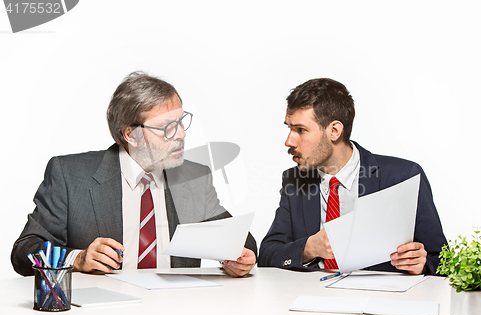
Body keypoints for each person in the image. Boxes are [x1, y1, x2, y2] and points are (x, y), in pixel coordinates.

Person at [12, 71, 257, 277]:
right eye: (168, 127)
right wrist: (78, 259)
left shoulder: (193, 177)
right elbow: (25, 250)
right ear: (130, 135)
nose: (181, 134)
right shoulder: (70, 175)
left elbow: (240, 240)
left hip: (179, 313)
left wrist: (239, 257)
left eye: (181, 122)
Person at [258, 78, 446, 275]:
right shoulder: (295, 180)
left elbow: (442, 261)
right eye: (289, 128)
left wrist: (421, 264)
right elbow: (267, 255)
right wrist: (310, 247)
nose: (289, 141)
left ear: (334, 131)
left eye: (300, 130)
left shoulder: (404, 176)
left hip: (379, 300)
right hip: (312, 296)